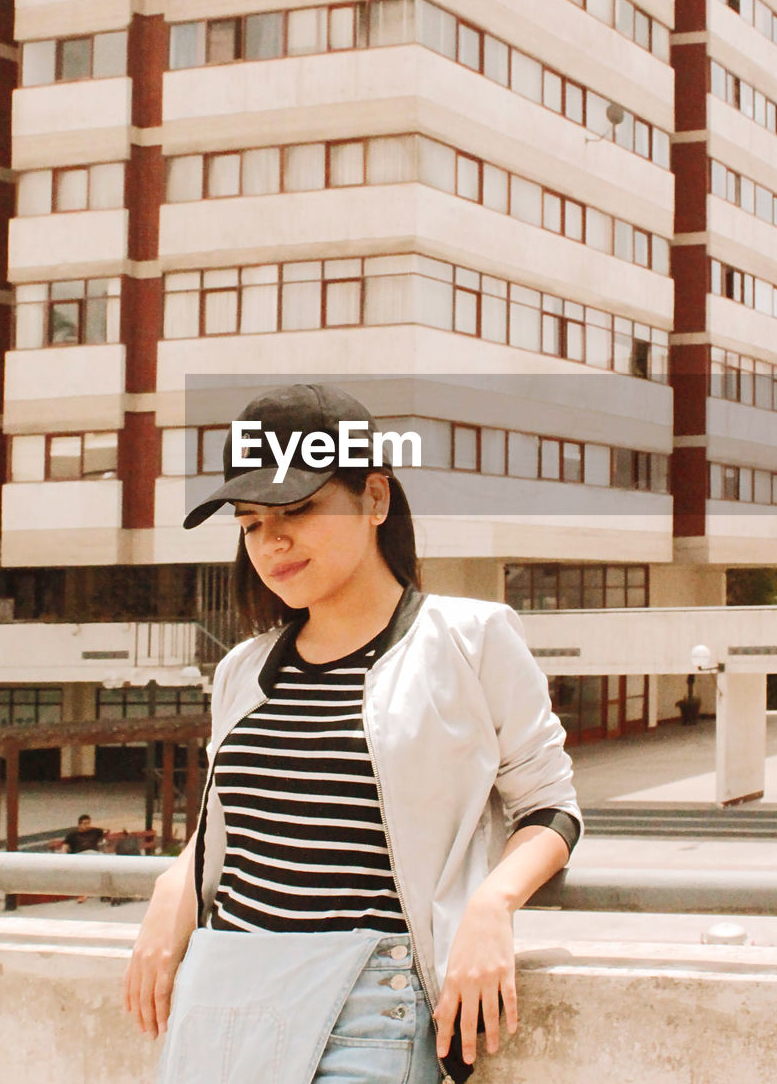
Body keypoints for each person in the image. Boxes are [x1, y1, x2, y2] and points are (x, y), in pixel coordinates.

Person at [124, 384, 581, 1084]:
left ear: (375, 499)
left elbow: (550, 806)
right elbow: (235, 823)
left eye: (298, 510)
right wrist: (173, 883)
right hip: (226, 994)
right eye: (249, 522)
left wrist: (493, 904)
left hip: (369, 1004)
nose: (270, 542)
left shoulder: (470, 639)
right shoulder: (244, 670)